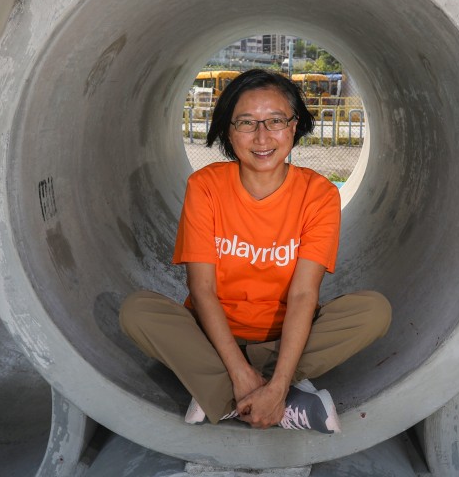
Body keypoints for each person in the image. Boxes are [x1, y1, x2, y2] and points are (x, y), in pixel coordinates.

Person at [120, 69, 390, 434]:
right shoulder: (206, 187)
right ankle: (279, 401)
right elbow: (201, 289)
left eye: (275, 121)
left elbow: (304, 294)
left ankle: (224, 394)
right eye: (246, 123)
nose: (262, 137)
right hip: (212, 337)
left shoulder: (319, 195)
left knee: (373, 312)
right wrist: (239, 371)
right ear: (229, 131)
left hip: (285, 340)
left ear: (294, 125)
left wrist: (277, 383)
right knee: (138, 312)